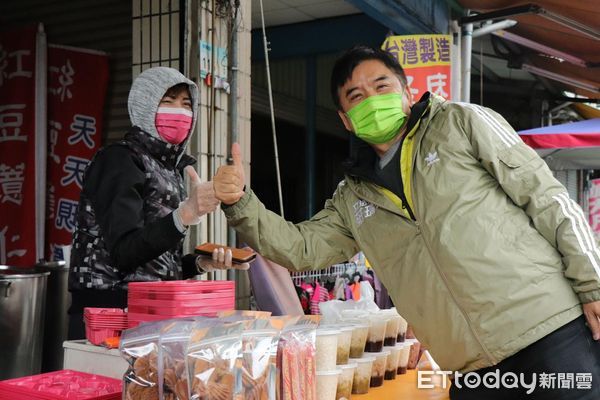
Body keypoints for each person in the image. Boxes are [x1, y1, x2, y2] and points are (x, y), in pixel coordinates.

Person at [214, 46, 600, 399]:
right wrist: (240, 203)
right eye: (356, 97)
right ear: (346, 121)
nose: (372, 100)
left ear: (406, 91)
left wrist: (593, 284)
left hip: (551, 334)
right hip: (470, 370)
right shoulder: (353, 197)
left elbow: (548, 198)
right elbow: (301, 248)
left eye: (381, 86)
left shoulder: (460, 123)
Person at [68, 67, 247, 339]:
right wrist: (186, 213)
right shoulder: (119, 160)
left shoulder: (168, 168)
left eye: (187, 104)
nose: (180, 111)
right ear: (145, 105)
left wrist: (200, 263)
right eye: (168, 101)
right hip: (107, 315)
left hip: (147, 311)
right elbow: (124, 252)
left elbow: (152, 263)